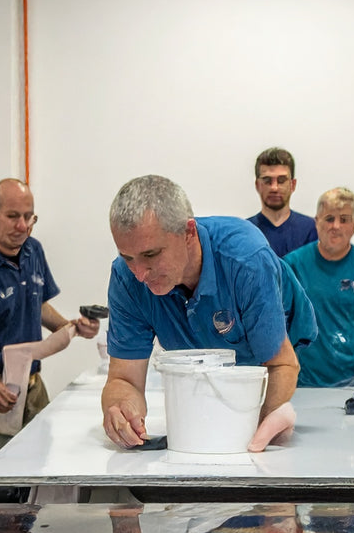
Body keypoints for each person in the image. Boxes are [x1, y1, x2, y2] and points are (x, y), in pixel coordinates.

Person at [101, 174, 317, 448]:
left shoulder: (246, 260)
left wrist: (257, 429)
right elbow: (123, 378)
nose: (140, 274)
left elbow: (282, 364)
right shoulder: (126, 278)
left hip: (280, 354)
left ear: (188, 233)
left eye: (151, 255)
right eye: (128, 257)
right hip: (208, 366)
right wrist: (121, 408)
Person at [0, 178, 99, 495]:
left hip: (31, 389)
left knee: (38, 483)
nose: (23, 226)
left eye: (30, 217)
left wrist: (69, 326)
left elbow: (35, 303)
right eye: (14, 216)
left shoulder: (32, 250)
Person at [283, 187, 354, 387]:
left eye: (344, 219)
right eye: (329, 218)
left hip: (351, 379)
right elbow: (279, 317)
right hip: (302, 380)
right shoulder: (293, 264)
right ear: (317, 222)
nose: (336, 226)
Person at [246, 146, 318, 257]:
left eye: (281, 180)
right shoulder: (246, 231)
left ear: (292, 184)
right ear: (257, 185)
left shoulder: (312, 229)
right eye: (267, 180)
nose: (274, 188)